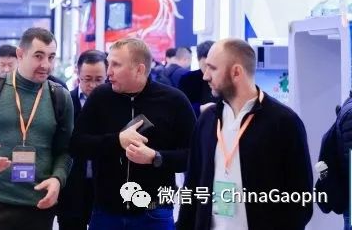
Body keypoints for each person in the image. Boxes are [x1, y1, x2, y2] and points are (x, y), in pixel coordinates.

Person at [177, 38, 313, 230]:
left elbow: (301, 197)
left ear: (236, 72)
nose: (205, 76)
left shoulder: (283, 122)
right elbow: (192, 186)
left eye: (212, 68)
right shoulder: (208, 120)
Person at [0, 27, 74, 230]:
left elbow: (66, 150)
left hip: (37, 202)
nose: (46, 64)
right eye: (38, 56)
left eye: (51, 57)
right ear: (20, 54)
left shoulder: (60, 97)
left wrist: (57, 179)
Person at [70, 38, 196, 230]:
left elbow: (194, 156)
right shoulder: (100, 97)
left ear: (139, 69)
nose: (108, 72)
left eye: (116, 65)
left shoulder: (174, 101)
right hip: (106, 211)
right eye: (109, 64)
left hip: (155, 211)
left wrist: (156, 157)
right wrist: (117, 141)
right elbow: (77, 145)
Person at [57, 50, 108, 230]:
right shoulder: (65, 101)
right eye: (87, 79)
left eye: (99, 79)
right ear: (78, 74)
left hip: (104, 187)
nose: (93, 85)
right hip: (71, 186)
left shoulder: (114, 103)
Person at [178, 40, 215, 116]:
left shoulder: (223, 77)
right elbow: (180, 108)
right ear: (198, 60)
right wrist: (200, 109)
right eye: (206, 66)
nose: (207, 74)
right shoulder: (188, 79)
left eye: (212, 67)